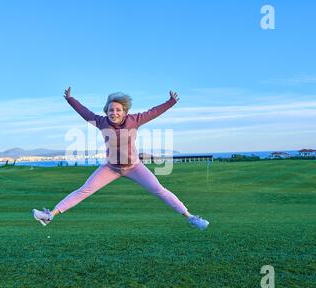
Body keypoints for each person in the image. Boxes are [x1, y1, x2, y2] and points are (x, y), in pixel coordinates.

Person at [32, 87, 209, 230]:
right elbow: (85, 113)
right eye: (111, 110)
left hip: (134, 167)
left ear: (124, 111)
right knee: (84, 190)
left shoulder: (135, 120)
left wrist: (170, 102)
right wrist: (71, 99)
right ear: (106, 111)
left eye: (118, 110)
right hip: (110, 168)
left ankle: (190, 217)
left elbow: (154, 112)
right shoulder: (101, 122)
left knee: (159, 190)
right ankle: (49, 215)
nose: (114, 113)